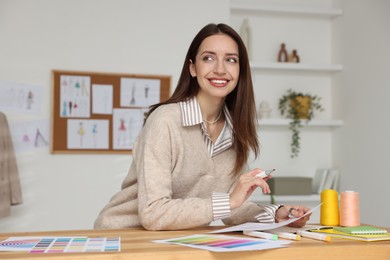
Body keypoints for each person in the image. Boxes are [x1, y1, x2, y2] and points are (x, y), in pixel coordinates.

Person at [94, 23, 311, 230]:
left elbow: (231, 207)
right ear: (193, 68)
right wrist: (230, 201)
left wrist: (277, 214)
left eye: (231, 60)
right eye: (208, 58)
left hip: (177, 239)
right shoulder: (165, 121)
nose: (220, 69)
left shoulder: (235, 131)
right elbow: (153, 212)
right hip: (124, 236)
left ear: (240, 71)